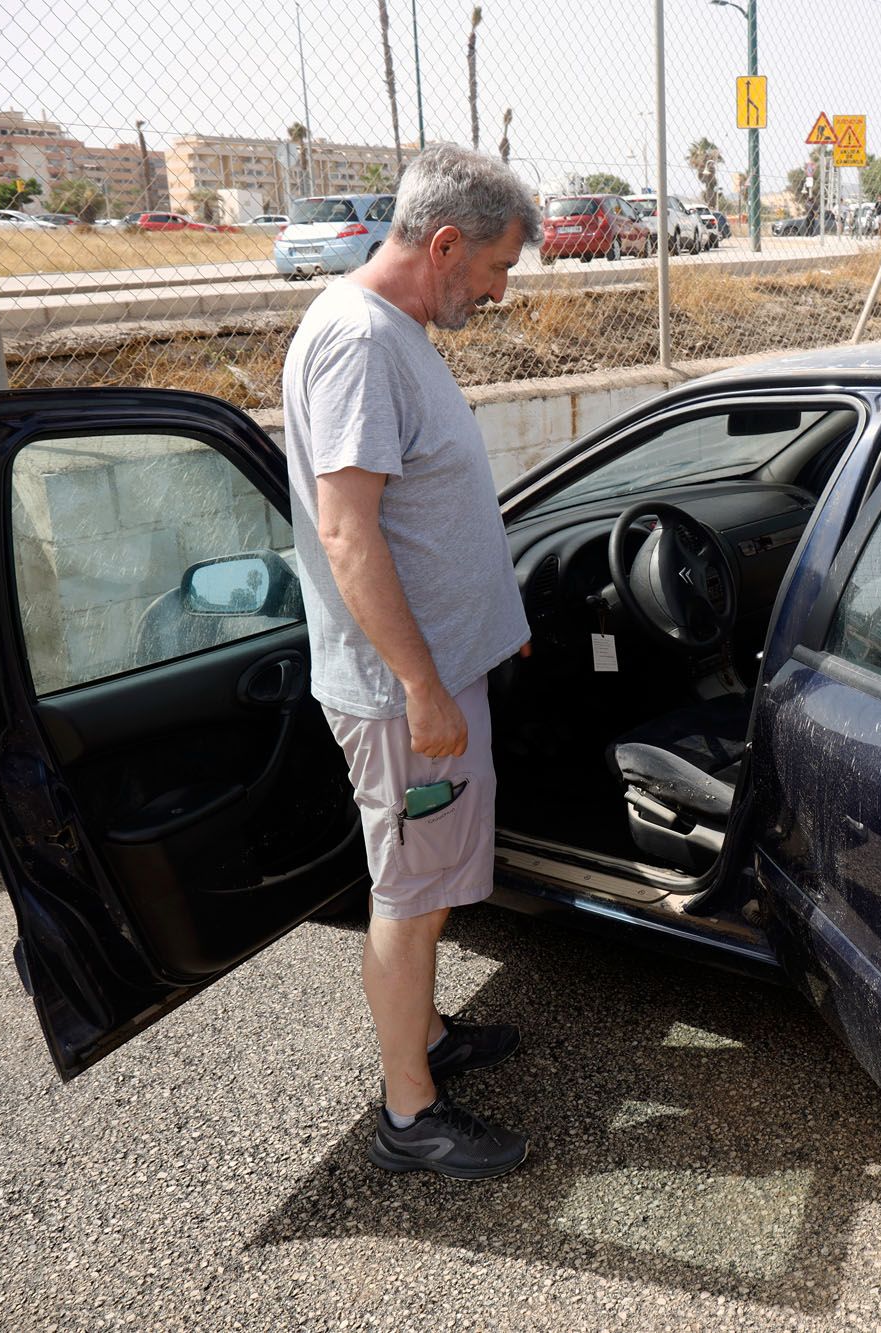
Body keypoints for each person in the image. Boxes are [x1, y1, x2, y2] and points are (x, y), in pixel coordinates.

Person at [281, 143, 543, 1180]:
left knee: (424, 880)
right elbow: (350, 533)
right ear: (443, 244)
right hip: (403, 697)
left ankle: (426, 1036)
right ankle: (409, 1112)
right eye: (495, 268)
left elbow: (424, 509)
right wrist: (425, 686)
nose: (497, 289)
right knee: (410, 891)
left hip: (431, 677)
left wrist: (487, 621)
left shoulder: (392, 330)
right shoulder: (357, 342)